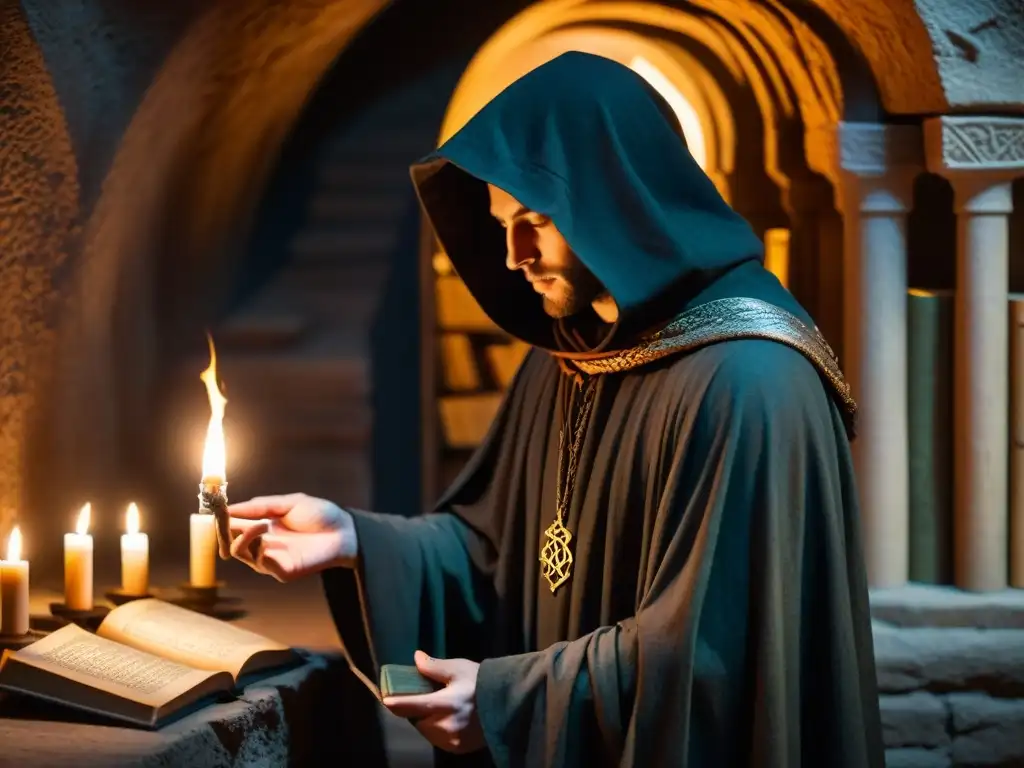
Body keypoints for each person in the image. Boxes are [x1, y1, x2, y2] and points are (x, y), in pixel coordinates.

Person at [224, 51, 884, 768]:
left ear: (617, 201)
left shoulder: (752, 380)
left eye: (536, 220)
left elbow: (714, 660)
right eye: (503, 221)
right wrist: (356, 539)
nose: (514, 255)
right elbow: (495, 552)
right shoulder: (573, 352)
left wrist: (510, 701)